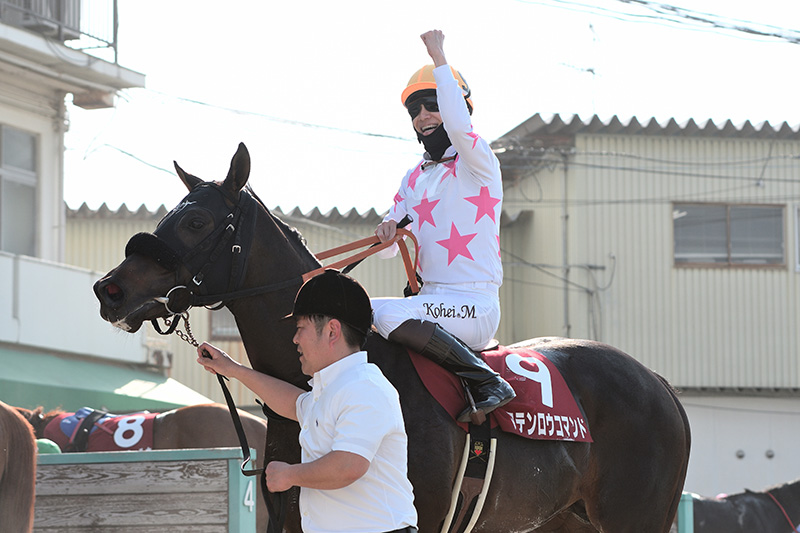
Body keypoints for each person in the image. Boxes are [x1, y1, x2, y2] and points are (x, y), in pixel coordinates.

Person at [196, 270, 418, 533]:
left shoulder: (364, 387)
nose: (295, 339)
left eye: (301, 328)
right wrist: (232, 369)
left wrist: (289, 475)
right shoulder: (336, 389)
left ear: (332, 331)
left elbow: (348, 466)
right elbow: (294, 404)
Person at [372, 30, 514, 423]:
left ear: (457, 107)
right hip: (432, 302)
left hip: (474, 306)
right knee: (356, 308)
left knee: (388, 315)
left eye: (432, 106)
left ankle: (486, 380)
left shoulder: (477, 162)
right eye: (415, 110)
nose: (423, 116)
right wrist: (386, 232)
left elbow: (460, 126)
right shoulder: (414, 177)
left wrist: (438, 56)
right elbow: (387, 249)